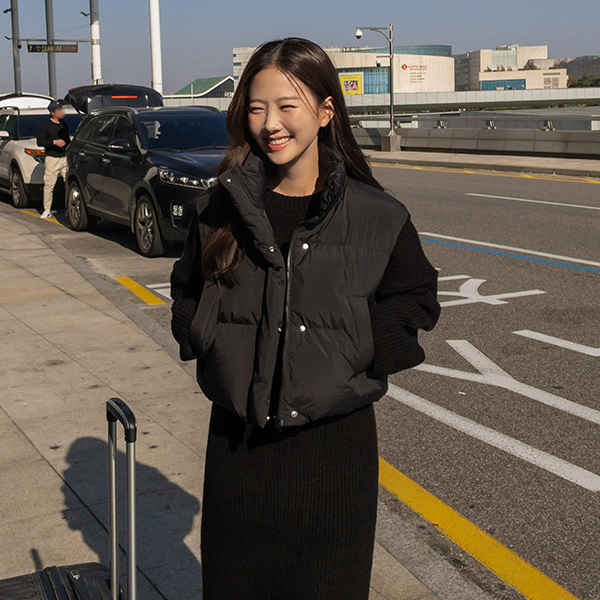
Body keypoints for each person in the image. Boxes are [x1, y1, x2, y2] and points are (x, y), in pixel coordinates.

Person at [170, 38, 441, 600]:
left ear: (324, 112)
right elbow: (187, 288)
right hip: (237, 453)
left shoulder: (376, 214)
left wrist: (360, 345)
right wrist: (206, 336)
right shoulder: (220, 207)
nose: (271, 123)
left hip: (333, 460)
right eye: (256, 106)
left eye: (287, 106)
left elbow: (415, 298)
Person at [36, 99, 70, 219]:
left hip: (64, 158)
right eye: (59, 110)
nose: (61, 112)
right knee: (49, 185)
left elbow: (67, 140)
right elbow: (39, 141)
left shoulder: (64, 124)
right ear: (52, 112)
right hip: (52, 158)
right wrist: (54, 142)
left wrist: (68, 145)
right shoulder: (45, 125)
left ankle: (69, 208)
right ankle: (47, 209)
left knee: (70, 184)